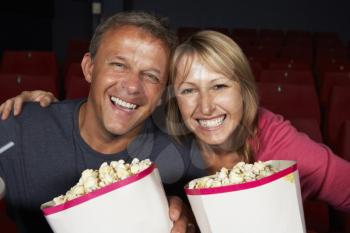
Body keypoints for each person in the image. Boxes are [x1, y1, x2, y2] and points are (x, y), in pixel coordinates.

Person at [3, 30, 350, 224]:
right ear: (172, 98)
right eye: (188, 90)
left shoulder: (272, 138)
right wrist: (38, 112)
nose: (205, 106)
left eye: (220, 86)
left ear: (244, 90)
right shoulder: (162, 130)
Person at [0, 11, 196, 233]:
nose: (132, 86)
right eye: (119, 65)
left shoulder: (182, 156)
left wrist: (191, 222)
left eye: (151, 76)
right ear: (89, 68)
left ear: (162, 93)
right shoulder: (20, 129)